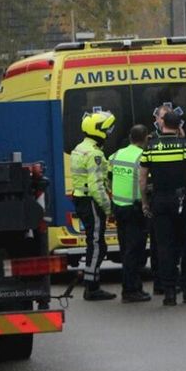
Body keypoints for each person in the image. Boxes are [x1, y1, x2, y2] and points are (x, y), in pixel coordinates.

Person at [139, 110, 186, 306]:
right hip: (183, 201)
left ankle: (169, 292)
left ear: (162, 125)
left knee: (164, 247)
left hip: (160, 201)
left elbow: (142, 179)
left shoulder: (150, 147)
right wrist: (183, 137)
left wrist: (145, 202)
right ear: (179, 126)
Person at [71, 110, 118, 301]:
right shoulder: (94, 154)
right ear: (98, 131)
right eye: (107, 130)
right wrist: (109, 209)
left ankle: (92, 282)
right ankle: (91, 287)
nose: (108, 134)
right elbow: (96, 186)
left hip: (81, 198)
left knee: (95, 242)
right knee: (97, 244)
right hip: (90, 201)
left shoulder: (80, 148)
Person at [109, 125, 153, 303]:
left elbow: (109, 177)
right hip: (134, 209)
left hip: (119, 207)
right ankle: (131, 289)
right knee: (134, 252)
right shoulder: (142, 157)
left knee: (125, 248)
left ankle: (131, 287)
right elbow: (145, 184)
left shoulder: (116, 155)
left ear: (129, 137)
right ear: (145, 138)